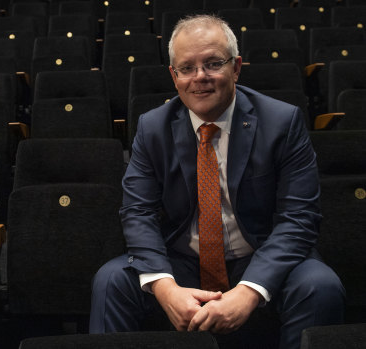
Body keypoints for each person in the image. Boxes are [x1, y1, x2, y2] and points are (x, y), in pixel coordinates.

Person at [89, 14, 344, 349]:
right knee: (110, 281)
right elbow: (138, 214)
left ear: (236, 67)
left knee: (320, 285)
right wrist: (166, 289)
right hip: (182, 260)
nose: (200, 78)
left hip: (259, 255)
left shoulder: (282, 122)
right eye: (187, 68)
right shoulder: (152, 128)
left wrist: (250, 290)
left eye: (213, 64)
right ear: (174, 75)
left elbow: (299, 219)